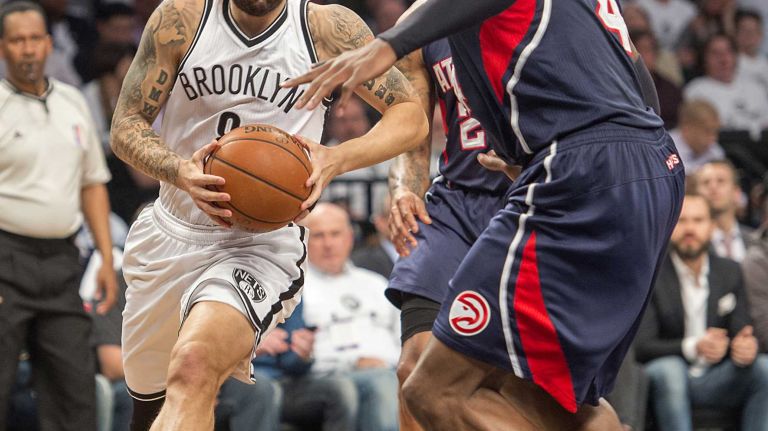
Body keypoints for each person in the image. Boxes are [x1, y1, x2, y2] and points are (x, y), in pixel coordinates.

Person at [284, 0, 685, 429]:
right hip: (639, 170)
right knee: (521, 396)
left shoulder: (434, 22)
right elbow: (642, 93)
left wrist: (384, 45)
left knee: (436, 390)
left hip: (570, 177)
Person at [109, 0, 427, 428]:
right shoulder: (180, 18)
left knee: (194, 365)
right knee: (149, 409)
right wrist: (179, 171)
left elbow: (411, 117)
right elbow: (126, 124)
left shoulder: (324, 27)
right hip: (171, 231)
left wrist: (338, 158)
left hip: (259, 245)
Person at [379, 3, 514, 429]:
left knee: (507, 382)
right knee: (414, 369)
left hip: (530, 202)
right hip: (456, 203)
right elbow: (411, 118)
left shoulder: (542, 13)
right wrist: (404, 186)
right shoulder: (421, 20)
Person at [0, 2, 117, 430]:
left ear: (49, 44)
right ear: (1, 48)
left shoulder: (72, 101)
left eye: (35, 38)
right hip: (5, 255)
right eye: (17, 40)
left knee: (75, 393)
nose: (28, 49)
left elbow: (92, 183)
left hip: (62, 261)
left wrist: (105, 256)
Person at [635, 191, 768, 431]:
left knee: (763, 368)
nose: (690, 229)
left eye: (698, 220)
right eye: (682, 220)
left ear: (712, 226)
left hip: (717, 377)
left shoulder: (730, 270)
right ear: (670, 225)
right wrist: (694, 346)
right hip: (666, 376)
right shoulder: (651, 273)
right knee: (670, 370)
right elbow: (642, 346)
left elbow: (742, 330)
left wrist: (744, 347)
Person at [302, 203, 400, 431]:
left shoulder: (375, 283)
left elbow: (403, 337)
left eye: (335, 234)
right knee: (381, 385)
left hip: (389, 369)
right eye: (319, 236)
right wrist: (353, 362)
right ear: (304, 240)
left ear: (349, 237)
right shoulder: (294, 291)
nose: (328, 244)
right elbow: (295, 352)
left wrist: (390, 364)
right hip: (329, 377)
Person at [253, 299, 359, 431]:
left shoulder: (288, 287)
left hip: (283, 382)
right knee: (263, 388)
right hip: (241, 377)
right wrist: (250, 344)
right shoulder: (226, 285)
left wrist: (303, 355)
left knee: (340, 389)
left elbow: (291, 362)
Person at [696, 160, 758, 262]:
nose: (713, 187)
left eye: (721, 181)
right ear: (697, 193)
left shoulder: (757, 241)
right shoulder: (690, 243)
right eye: (706, 182)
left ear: (737, 192)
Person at [669, 100, 724, 174]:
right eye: (707, 131)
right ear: (687, 128)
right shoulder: (666, 148)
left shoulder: (715, 151)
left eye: (715, 131)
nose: (713, 138)